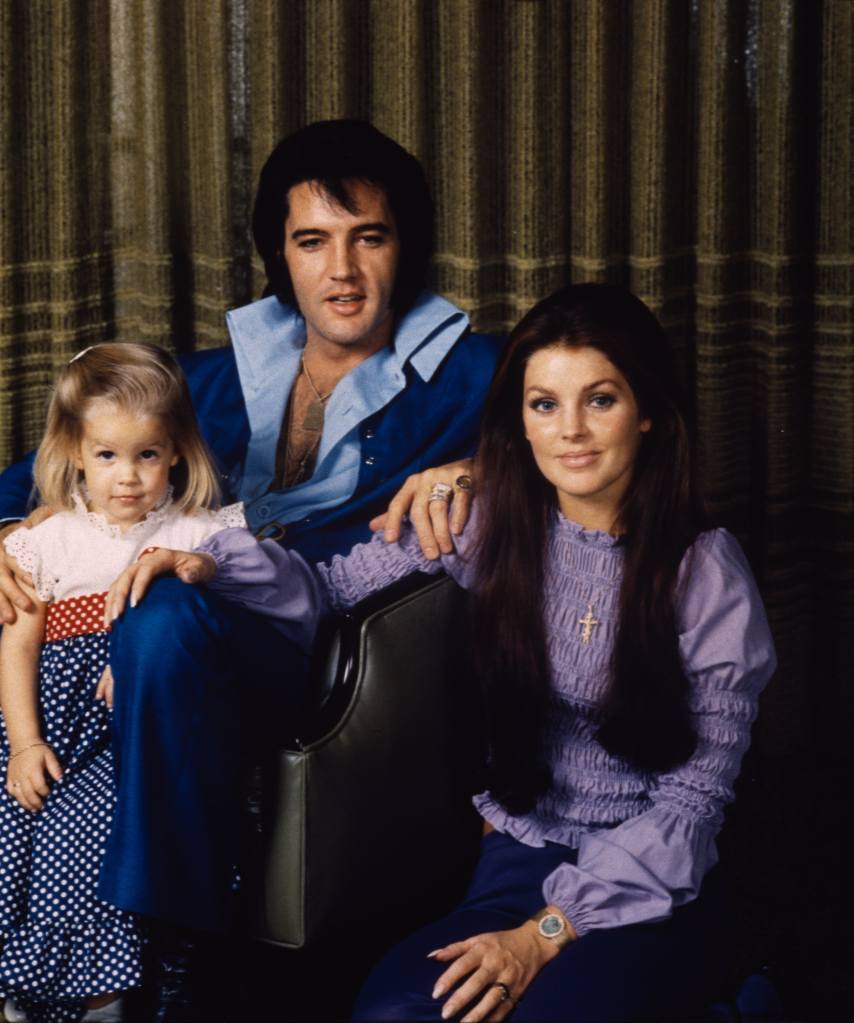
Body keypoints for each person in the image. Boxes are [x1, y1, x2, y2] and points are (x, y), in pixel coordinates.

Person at [129, 282, 776, 1020]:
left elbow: (691, 808)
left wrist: (543, 935)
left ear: (649, 411)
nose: (571, 430)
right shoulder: (488, 519)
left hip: (659, 887)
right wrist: (206, 561)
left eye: (600, 399)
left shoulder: (708, 573)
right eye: (544, 404)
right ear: (520, 422)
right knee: (388, 1014)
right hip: (518, 859)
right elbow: (328, 590)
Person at [0, 344, 315, 1023]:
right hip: (50, 725)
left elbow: (222, 623)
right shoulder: (46, 538)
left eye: (147, 454)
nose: (128, 477)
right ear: (74, 451)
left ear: (176, 451)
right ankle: (28, 987)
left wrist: (144, 649)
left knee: (94, 834)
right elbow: (18, 640)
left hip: (136, 734)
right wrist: (25, 742)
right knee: (21, 827)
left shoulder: (201, 532)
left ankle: (104, 995)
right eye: (107, 455)